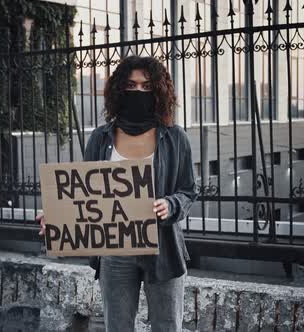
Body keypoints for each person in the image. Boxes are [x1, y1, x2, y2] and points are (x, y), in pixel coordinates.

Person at [36, 55, 198, 332]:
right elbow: (84, 194)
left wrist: (170, 205)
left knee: (168, 325)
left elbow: (188, 191)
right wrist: (56, 215)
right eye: (131, 85)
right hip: (115, 251)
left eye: (147, 87)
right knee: (117, 326)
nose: (139, 92)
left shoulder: (174, 137)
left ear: (159, 91)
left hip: (164, 248)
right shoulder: (100, 138)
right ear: (118, 90)